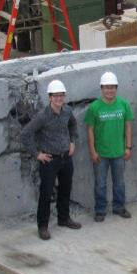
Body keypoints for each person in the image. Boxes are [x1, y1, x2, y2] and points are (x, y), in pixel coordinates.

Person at [21, 79, 82, 240]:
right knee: (46, 194)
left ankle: (64, 218)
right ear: (50, 97)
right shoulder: (42, 116)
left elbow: (73, 126)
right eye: (56, 96)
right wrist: (37, 154)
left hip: (65, 157)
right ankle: (43, 226)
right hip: (49, 161)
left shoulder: (67, 111)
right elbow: (25, 134)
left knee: (65, 189)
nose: (59, 99)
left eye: (61, 96)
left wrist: (72, 142)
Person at [85, 71, 134, 222]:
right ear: (102, 88)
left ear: (116, 88)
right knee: (100, 184)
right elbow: (90, 130)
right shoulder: (94, 108)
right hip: (101, 154)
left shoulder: (124, 104)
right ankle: (100, 210)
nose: (109, 90)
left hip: (119, 152)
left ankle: (119, 207)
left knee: (119, 183)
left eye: (112, 87)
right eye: (106, 87)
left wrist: (128, 147)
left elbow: (128, 126)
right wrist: (93, 151)